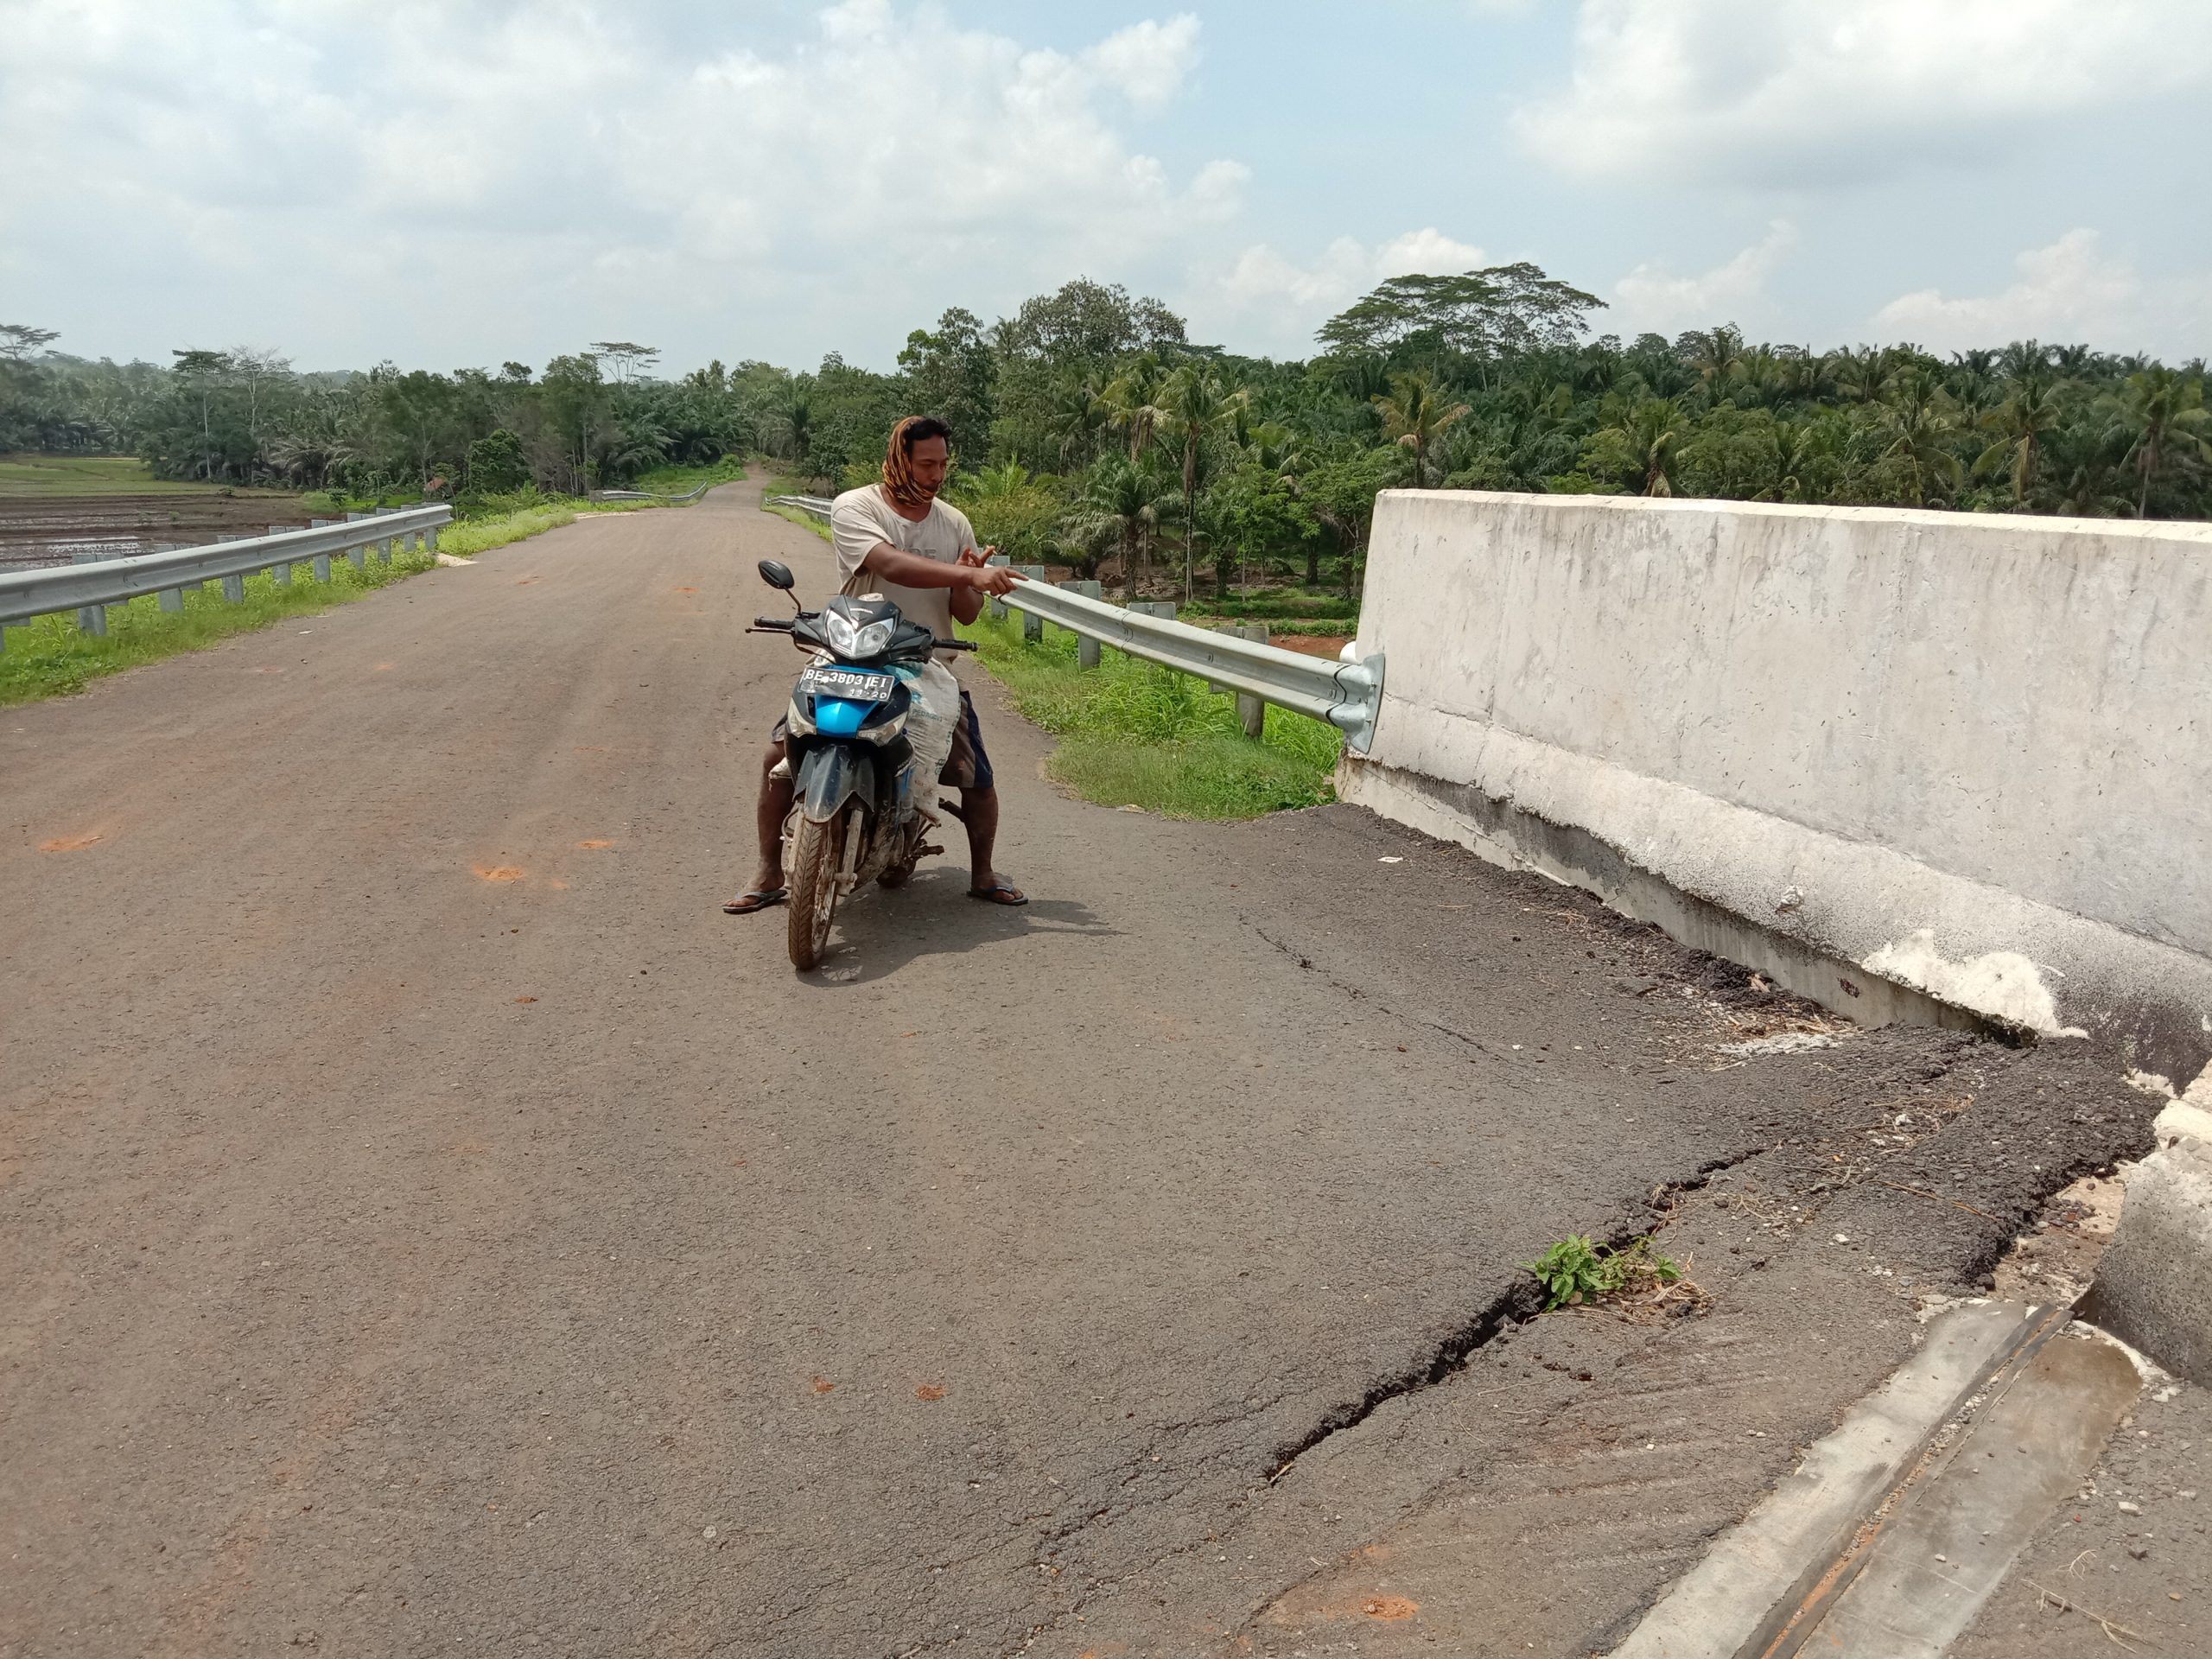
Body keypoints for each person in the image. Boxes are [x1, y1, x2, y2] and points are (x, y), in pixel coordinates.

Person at [726, 416, 1029, 913]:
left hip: (925, 662)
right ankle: (767, 871)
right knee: (777, 755)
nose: (936, 475)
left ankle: (983, 872)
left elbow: (967, 616)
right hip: (852, 652)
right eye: (926, 463)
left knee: (976, 776)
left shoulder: (953, 522)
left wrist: (966, 580)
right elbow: (886, 562)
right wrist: (966, 573)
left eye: (943, 464)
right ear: (900, 459)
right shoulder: (856, 506)